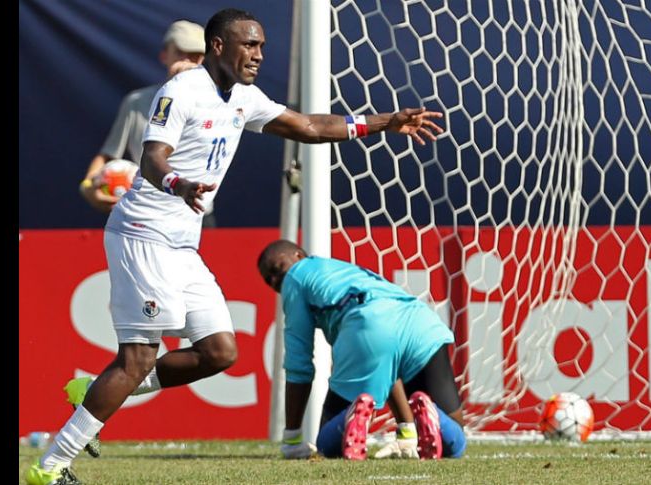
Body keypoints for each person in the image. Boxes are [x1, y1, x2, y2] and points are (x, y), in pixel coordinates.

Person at [25, 7, 443, 484]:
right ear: (218, 47)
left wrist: (384, 122)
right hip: (143, 233)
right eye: (249, 45)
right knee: (136, 357)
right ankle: (50, 467)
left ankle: (92, 392)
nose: (259, 54)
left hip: (182, 244)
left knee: (220, 352)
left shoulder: (244, 97)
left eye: (262, 45)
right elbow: (153, 156)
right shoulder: (181, 91)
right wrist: (180, 184)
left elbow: (308, 127)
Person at [257, 240, 468, 460]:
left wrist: (292, 438)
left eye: (277, 269)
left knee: (328, 446)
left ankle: (352, 415)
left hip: (367, 326)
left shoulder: (294, 278)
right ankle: (432, 415)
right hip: (420, 322)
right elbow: (387, 362)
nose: (275, 280)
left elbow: (298, 361)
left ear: (299, 256)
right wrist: (406, 430)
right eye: (268, 280)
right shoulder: (342, 271)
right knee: (453, 438)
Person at [78, 20, 218, 226]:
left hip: (197, 217)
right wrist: (88, 187)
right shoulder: (136, 102)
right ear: (164, 55)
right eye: (181, 52)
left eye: (196, 55)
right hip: (147, 216)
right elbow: (107, 156)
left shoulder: (218, 104)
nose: (188, 61)